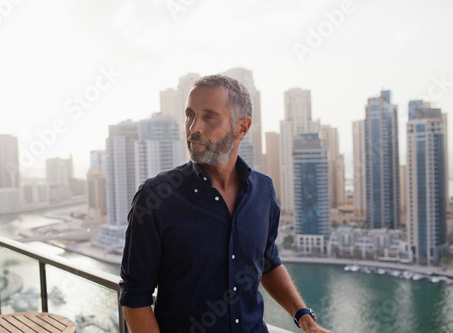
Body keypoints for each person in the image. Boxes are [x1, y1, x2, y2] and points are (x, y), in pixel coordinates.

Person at [120, 74, 333, 333]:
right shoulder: (156, 198)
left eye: (208, 116)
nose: (193, 127)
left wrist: (306, 320)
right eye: (190, 115)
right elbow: (135, 296)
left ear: (242, 127)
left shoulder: (263, 191)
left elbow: (268, 262)